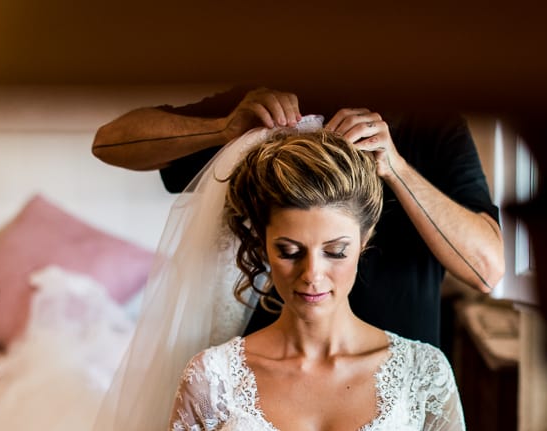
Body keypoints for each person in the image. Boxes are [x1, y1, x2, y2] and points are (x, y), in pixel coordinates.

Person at [153, 130, 477, 431]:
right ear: (262, 242)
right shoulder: (212, 377)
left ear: (364, 241)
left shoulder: (423, 373)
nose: (312, 275)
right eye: (289, 251)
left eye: (335, 251)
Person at [92, 87, 504, 350]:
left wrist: (395, 168)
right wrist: (222, 129)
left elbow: (486, 270)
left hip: (391, 368)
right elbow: (109, 143)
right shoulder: (267, 103)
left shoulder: (430, 120)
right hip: (270, 368)